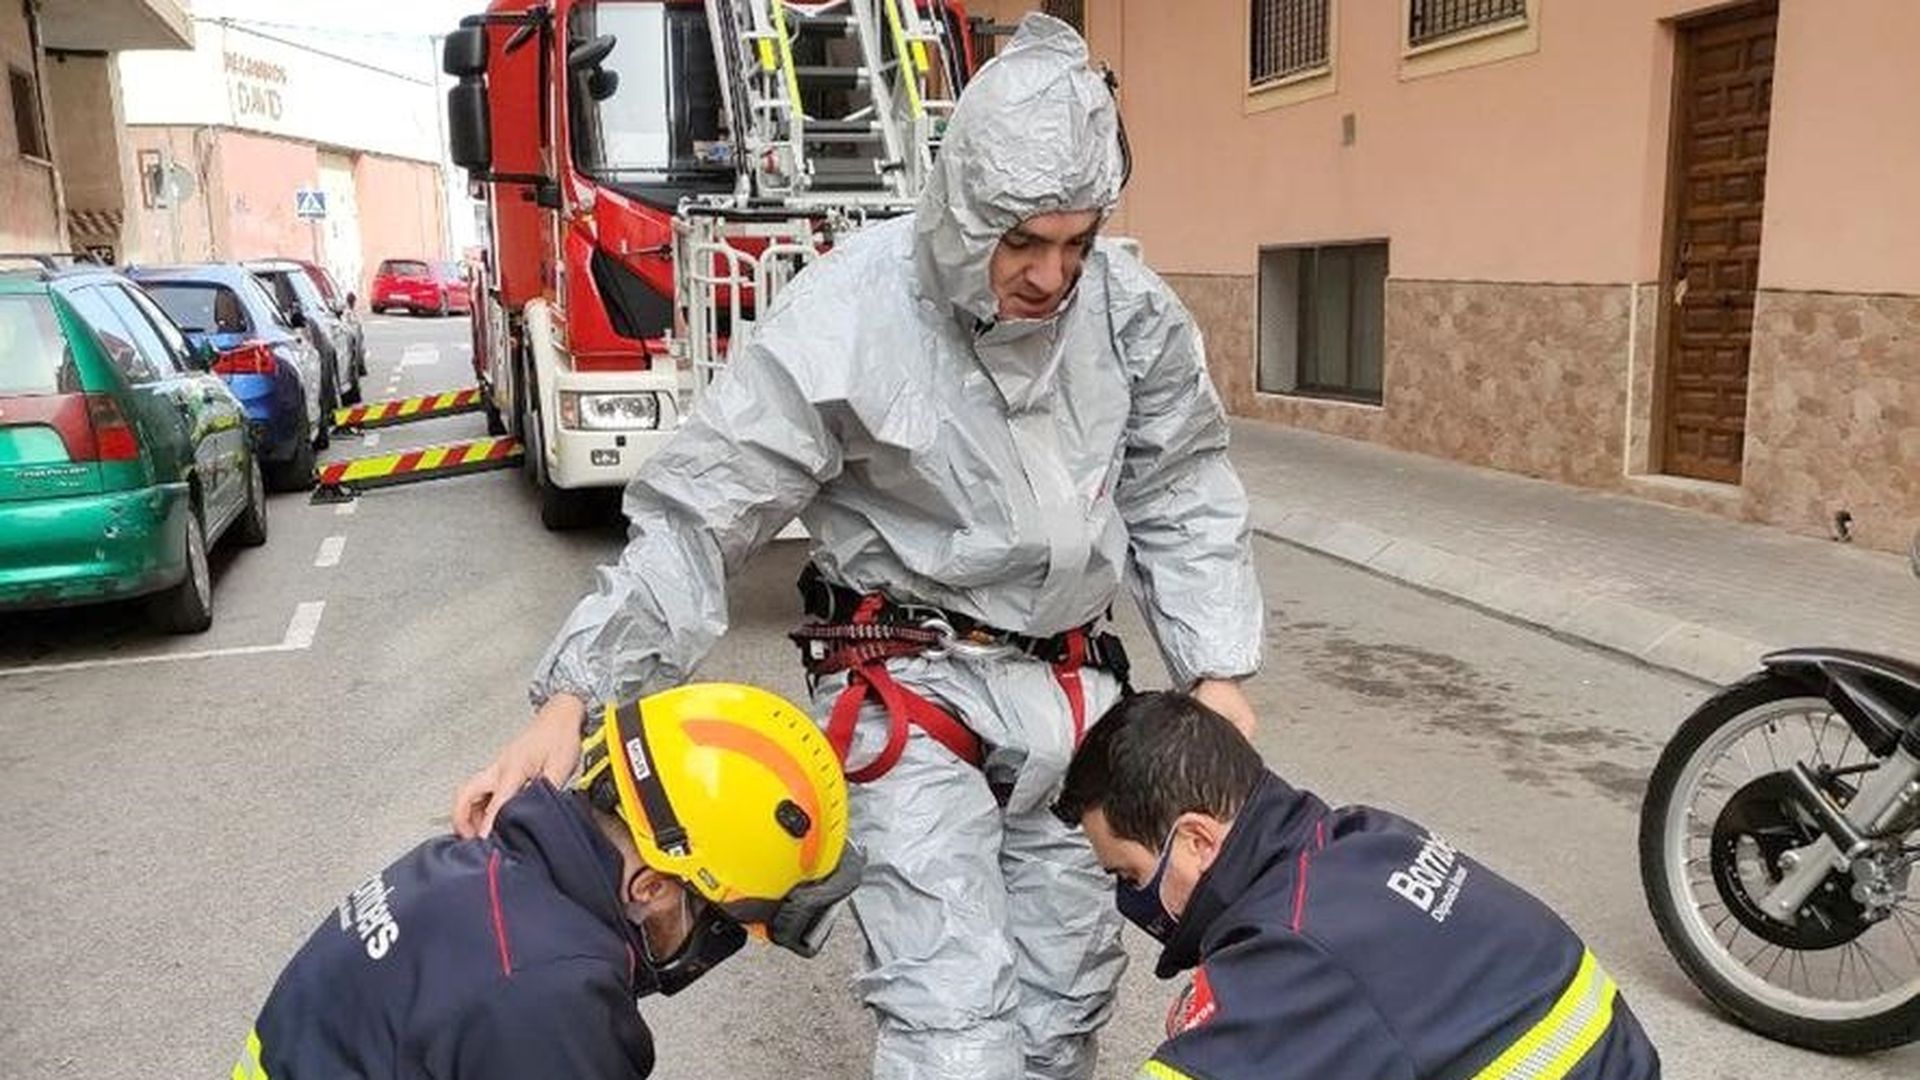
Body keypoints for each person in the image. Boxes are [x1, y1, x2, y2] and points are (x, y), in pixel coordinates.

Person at [451, 14, 1264, 1080]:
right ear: (962, 211)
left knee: (1065, 1008)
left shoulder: (1128, 314)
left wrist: (1214, 671)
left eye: (1076, 240)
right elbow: (702, 516)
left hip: (1076, 699)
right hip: (910, 698)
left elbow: (1181, 482)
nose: (1049, 274)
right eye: (1020, 242)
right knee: (954, 1027)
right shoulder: (849, 316)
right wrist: (575, 697)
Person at [236, 684, 861, 1080]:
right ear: (651, 887)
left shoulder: (477, 868)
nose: (714, 946)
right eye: (722, 926)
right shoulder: (550, 996)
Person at [1054, 691, 1662, 1080]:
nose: (1129, 898)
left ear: (1197, 839)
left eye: (1129, 875)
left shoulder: (1290, 947)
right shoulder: (1360, 838)